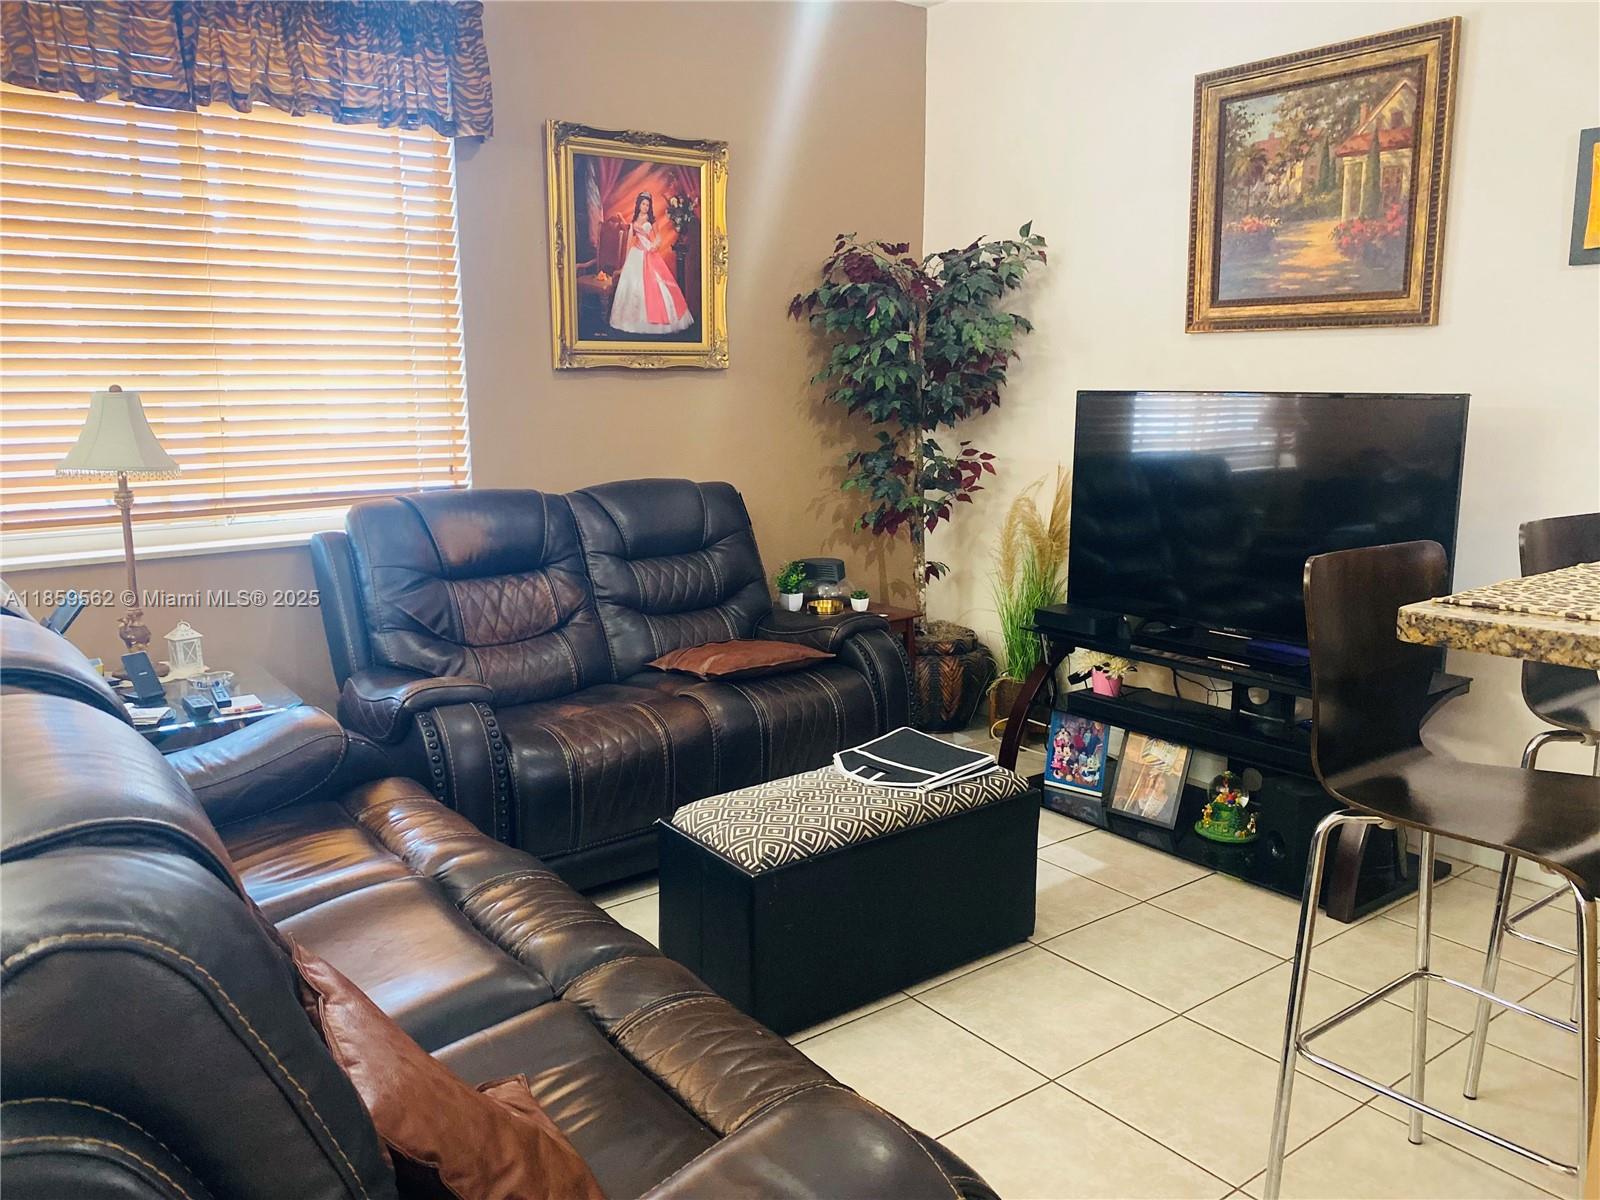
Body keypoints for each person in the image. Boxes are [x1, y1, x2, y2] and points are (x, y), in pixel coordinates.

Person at [609, 192, 694, 334]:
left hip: (649, 252)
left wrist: (654, 245)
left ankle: (657, 318)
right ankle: (629, 320)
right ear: (639, 204)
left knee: (655, 284)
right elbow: (633, 236)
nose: (645, 207)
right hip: (636, 253)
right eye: (643, 204)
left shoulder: (652, 219)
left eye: (648, 204)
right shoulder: (635, 218)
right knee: (632, 284)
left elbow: (658, 237)